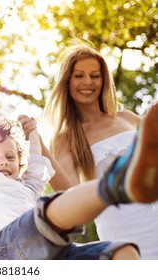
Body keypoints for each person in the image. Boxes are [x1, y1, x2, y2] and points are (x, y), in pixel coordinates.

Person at [0, 98, 158, 260]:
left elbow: (38, 159)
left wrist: (32, 133)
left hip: (49, 254)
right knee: (47, 213)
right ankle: (116, 184)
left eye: (10, 157)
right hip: (2, 251)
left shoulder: (27, 187)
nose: (3, 161)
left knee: (121, 252)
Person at [43, 44, 158, 259]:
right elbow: (70, 196)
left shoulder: (128, 118)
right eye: (79, 75)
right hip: (128, 233)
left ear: (104, 80)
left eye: (95, 75)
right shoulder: (64, 139)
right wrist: (40, 148)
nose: (88, 82)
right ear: (67, 81)